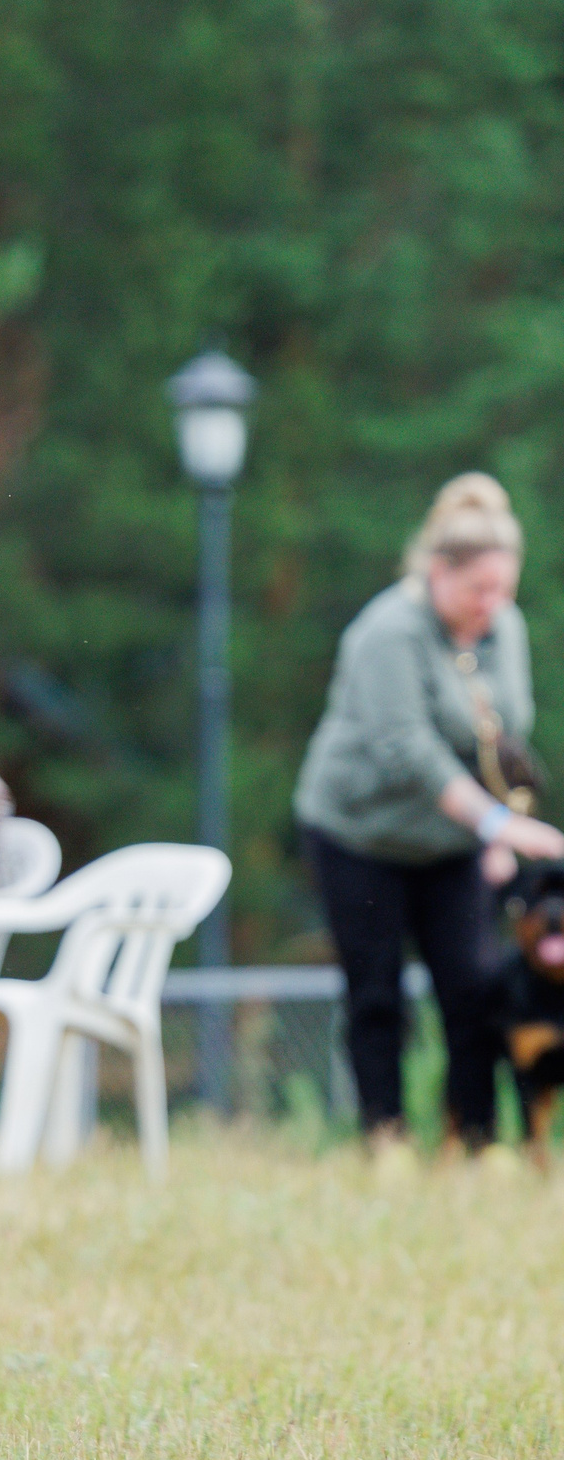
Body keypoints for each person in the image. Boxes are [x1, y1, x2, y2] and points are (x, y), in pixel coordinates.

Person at [295, 473, 564, 1167]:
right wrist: (495, 826)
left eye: (503, 589)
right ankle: (384, 1137)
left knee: (473, 989)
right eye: (479, 588)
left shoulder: (503, 628)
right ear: (438, 572)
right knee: (377, 993)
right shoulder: (388, 633)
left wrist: (497, 828)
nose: (492, 603)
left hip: (449, 840)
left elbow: (504, 734)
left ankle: (474, 1142)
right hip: (360, 833)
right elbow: (407, 752)